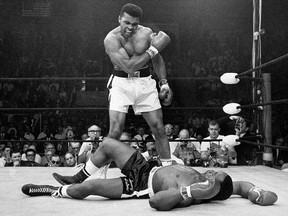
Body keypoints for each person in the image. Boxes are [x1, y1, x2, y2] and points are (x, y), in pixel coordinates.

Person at [52, 3, 173, 185]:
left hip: (146, 83)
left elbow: (157, 60)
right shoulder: (111, 39)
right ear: (119, 19)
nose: (130, 28)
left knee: (159, 129)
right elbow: (130, 66)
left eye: (134, 24)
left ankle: (168, 174)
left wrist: (164, 83)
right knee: (114, 132)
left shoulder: (146, 33)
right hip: (121, 83)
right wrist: (154, 48)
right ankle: (86, 176)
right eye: (126, 23)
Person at [22, 137, 277, 211]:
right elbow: (241, 185)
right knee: (109, 144)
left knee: (88, 191)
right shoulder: (215, 181)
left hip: (139, 185)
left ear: (213, 189)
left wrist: (189, 192)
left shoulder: (192, 195)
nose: (211, 171)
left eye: (213, 176)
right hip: (147, 165)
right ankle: (75, 176)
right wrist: (257, 192)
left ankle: (55, 191)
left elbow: (155, 202)